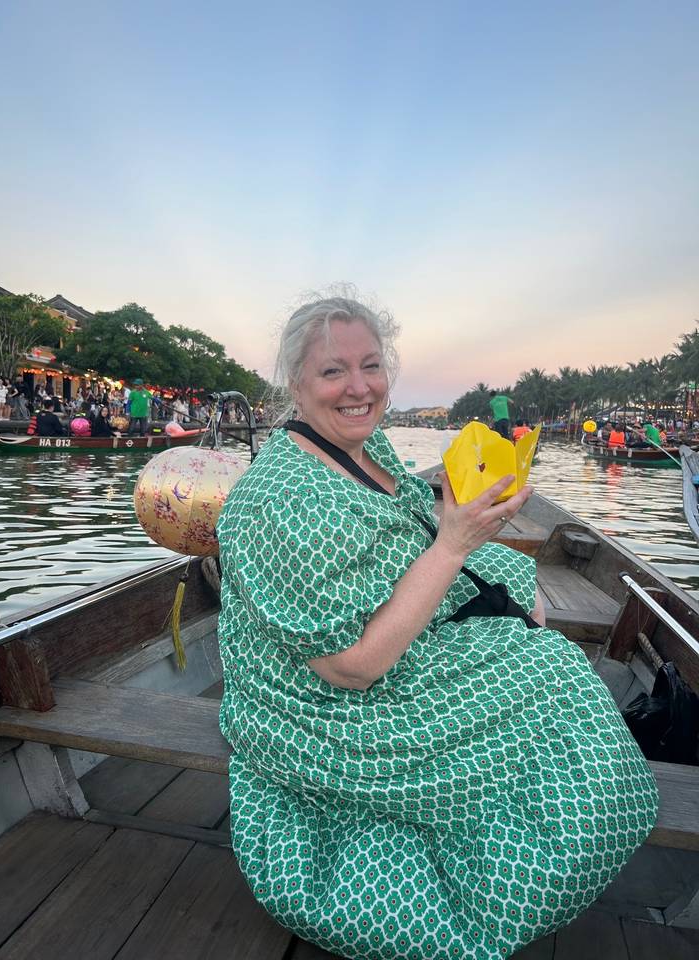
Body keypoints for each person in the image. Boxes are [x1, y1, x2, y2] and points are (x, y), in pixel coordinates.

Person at [215, 294, 657, 960]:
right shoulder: (282, 498)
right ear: (296, 385)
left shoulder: (361, 448)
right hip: (324, 710)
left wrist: (470, 515)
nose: (358, 387)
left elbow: (406, 512)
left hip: (375, 650)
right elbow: (352, 668)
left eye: (370, 366)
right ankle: (493, 886)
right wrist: (452, 546)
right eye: (335, 372)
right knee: (555, 671)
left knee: (518, 594)